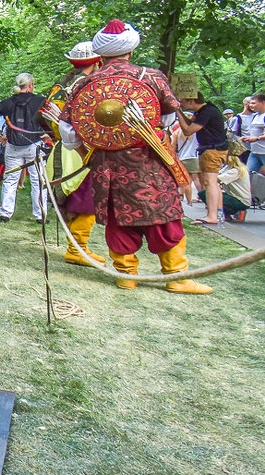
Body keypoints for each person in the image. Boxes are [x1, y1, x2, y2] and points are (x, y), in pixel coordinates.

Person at [58, 19, 210, 294]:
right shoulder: (152, 77)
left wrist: (89, 153)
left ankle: (126, 274)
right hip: (149, 160)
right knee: (162, 215)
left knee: (119, 217)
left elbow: (68, 131)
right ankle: (177, 276)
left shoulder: (87, 82)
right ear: (130, 50)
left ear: (100, 54)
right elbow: (164, 119)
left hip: (107, 163)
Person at [42, 41, 106, 266]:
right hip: (80, 151)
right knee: (86, 200)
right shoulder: (92, 86)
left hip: (62, 149)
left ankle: (79, 248)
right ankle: (77, 249)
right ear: (98, 61)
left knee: (76, 201)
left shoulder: (62, 86)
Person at [0, 73, 50, 224]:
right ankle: (40, 215)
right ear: (30, 85)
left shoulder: (6, 102)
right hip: (34, 144)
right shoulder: (40, 101)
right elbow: (54, 118)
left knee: (10, 180)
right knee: (38, 180)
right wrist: (49, 135)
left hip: (12, 146)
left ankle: (5, 213)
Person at [178, 92, 228, 224]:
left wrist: (177, 112)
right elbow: (190, 123)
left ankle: (212, 216)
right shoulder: (205, 111)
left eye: (182, 101)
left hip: (212, 150)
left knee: (209, 182)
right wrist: (178, 111)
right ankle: (219, 213)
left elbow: (188, 130)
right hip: (215, 149)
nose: (180, 103)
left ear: (191, 101)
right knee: (213, 183)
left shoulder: (206, 112)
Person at [241, 93, 265, 175]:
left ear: (263, 103)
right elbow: (255, 133)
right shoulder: (255, 116)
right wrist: (247, 138)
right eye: (250, 103)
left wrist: (257, 139)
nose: (250, 105)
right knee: (248, 174)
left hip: (263, 151)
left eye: (253, 103)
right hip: (254, 152)